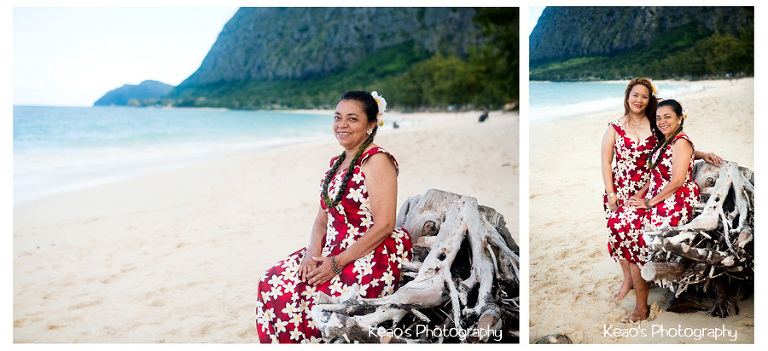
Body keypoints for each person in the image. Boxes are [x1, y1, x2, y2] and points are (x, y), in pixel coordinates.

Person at [254, 91, 413, 343]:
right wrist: (311, 253)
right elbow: (321, 219)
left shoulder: (377, 160)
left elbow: (385, 224)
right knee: (270, 281)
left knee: (318, 301)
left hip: (370, 248)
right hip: (332, 244)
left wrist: (336, 263)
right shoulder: (336, 163)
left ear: (371, 124)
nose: (342, 125)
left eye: (352, 119)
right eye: (337, 117)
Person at [600, 79, 720, 316]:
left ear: (649, 100)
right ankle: (629, 280)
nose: (639, 100)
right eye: (635, 95)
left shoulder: (656, 124)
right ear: (627, 97)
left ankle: (643, 286)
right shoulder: (615, 126)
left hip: (651, 187)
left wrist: (702, 153)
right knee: (617, 232)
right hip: (625, 188)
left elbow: (675, 147)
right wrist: (613, 193)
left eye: (644, 96)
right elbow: (605, 161)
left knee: (631, 233)